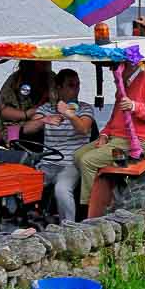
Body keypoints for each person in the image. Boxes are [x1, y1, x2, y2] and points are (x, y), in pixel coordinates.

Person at [73, 59, 145, 214]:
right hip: (119, 139)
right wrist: (104, 134)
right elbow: (115, 118)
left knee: (87, 160)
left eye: (114, 66)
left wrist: (134, 106)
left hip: (142, 142)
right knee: (78, 155)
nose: (111, 70)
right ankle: (103, 190)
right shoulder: (124, 84)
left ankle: (89, 209)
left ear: (127, 65)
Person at [20, 68, 94, 222]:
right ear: (59, 88)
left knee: (61, 189)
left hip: (71, 163)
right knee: (22, 183)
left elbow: (84, 128)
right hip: (48, 163)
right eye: (71, 85)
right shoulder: (46, 108)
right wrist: (43, 120)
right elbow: (26, 129)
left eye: (77, 85)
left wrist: (69, 114)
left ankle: (69, 228)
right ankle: (26, 222)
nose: (76, 89)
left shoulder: (85, 108)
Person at [0, 60, 55, 127]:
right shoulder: (16, 80)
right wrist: (26, 114)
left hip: (45, 129)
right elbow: (3, 111)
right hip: (15, 128)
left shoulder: (51, 79)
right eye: (40, 60)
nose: (47, 63)